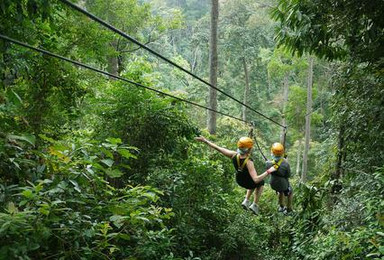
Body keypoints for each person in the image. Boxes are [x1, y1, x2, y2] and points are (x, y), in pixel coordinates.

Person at [195, 136, 277, 215]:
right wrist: (269, 171)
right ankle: (255, 205)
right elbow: (256, 180)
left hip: (239, 180)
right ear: (249, 149)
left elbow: (218, 148)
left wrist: (205, 141)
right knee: (260, 182)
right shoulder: (249, 162)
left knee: (252, 181)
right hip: (248, 182)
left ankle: (246, 201)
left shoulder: (234, 155)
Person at [266, 142, 293, 215]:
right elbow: (288, 175)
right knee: (290, 191)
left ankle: (281, 206)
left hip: (273, 183)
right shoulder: (285, 164)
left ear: (272, 152)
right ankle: (289, 209)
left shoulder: (268, 163)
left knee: (280, 191)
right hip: (282, 184)